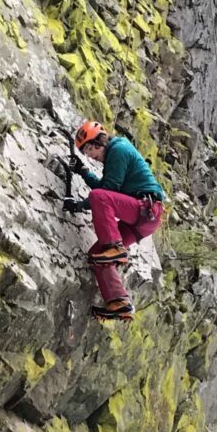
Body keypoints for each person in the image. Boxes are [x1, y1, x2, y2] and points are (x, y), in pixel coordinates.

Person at [61, 120, 166, 320]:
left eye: (91, 150)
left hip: (146, 209)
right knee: (97, 254)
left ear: (99, 143)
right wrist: (83, 172)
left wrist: (79, 206)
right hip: (143, 217)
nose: (91, 156)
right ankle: (119, 302)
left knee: (99, 198)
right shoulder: (114, 153)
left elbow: (105, 193)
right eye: (87, 152)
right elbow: (108, 187)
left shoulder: (118, 150)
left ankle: (114, 247)